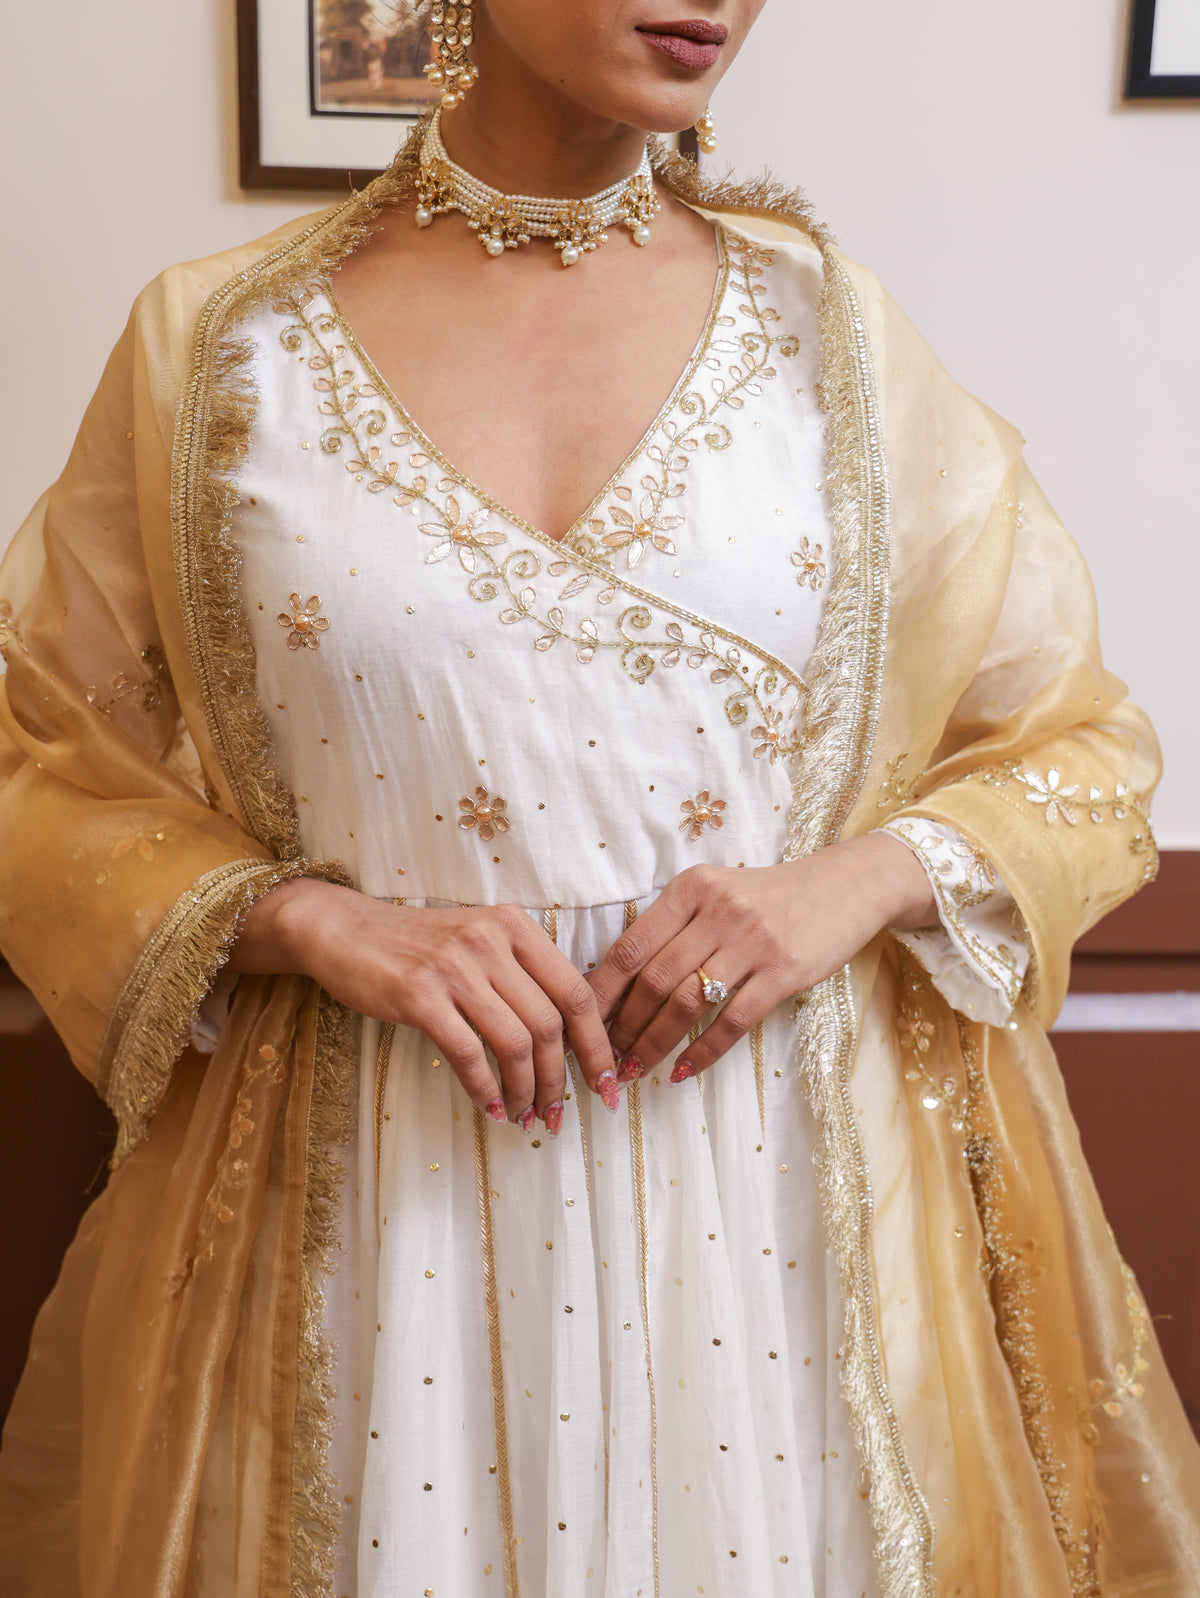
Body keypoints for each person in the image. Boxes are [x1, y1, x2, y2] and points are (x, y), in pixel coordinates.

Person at [1, 2, 1198, 1593]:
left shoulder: (830, 337)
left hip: (779, 1215)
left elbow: (1081, 749)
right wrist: (306, 918)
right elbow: (36, 756)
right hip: (370, 1198)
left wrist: (844, 884)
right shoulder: (221, 346)